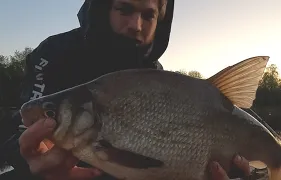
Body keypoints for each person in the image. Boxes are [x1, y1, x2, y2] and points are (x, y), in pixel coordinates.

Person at [1, 0, 252, 179]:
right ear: (104, 8)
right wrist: (30, 160)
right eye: (125, 9)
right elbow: (19, 126)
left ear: (160, 19)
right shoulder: (55, 53)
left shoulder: (158, 77)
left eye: (149, 15)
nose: (136, 25)